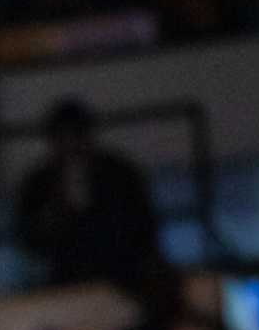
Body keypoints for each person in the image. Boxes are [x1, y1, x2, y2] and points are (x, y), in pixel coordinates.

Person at [13, 98, 158, 295]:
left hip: (122, 278)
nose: (71, 147)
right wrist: (56, 211)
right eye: (63, 139)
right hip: (66, 283)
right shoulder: (40, 183)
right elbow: (29, 239)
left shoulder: (119, 174)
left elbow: (142, 227)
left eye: (76, 136)